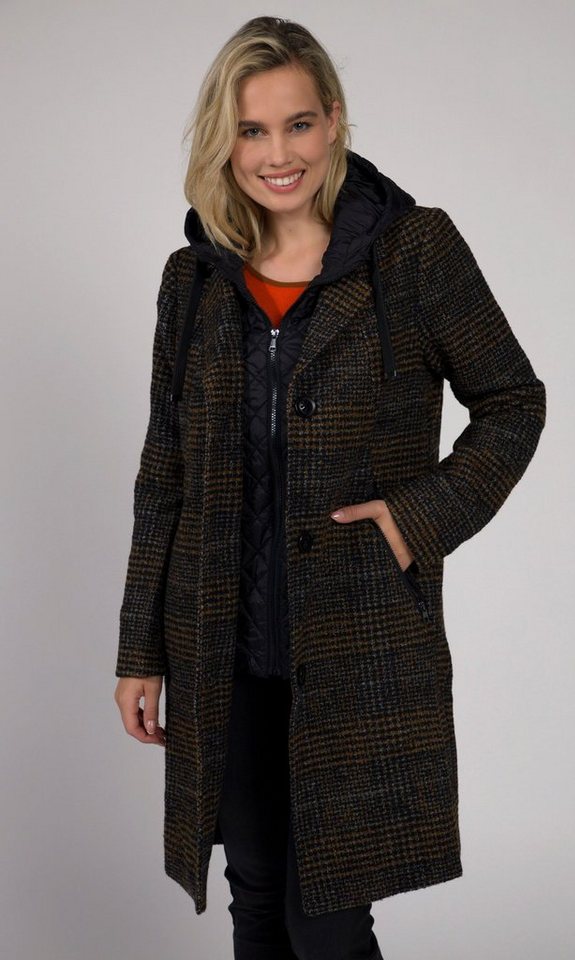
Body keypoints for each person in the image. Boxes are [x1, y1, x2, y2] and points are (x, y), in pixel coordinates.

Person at [114, 15, 546, 960]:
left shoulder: (414, 252)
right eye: (253, 130)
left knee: (328, 917)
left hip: (357, 639)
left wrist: (415, 519)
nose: (279, 155)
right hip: (222, 646)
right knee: (255, 895)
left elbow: (514, 401)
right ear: (224, 141)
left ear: (335, 120)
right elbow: (164, 469)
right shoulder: (192, 280)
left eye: (298, 124)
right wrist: (140, 646)